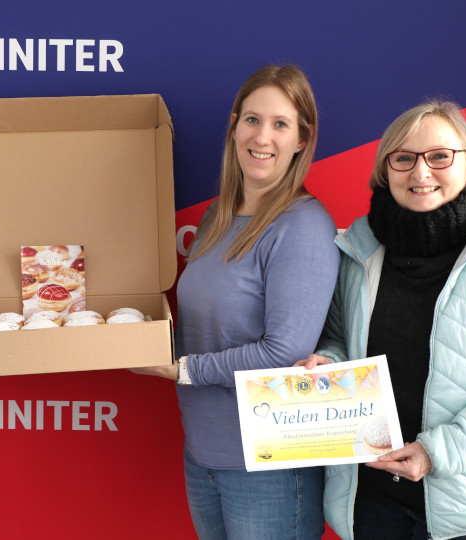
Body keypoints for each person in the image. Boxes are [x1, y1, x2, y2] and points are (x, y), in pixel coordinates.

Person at [296, 100, 466, 539]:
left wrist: (436, 452)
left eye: (439, 156)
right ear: (385, 172)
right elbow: (336, 339)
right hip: (370, 506)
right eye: (403, 158)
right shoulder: (356, 252)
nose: (421, 173)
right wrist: (327, 365)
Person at [131, 65, 339, 539]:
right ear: (234, 125)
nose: (262, 136)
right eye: (252, 120)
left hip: (266, 464)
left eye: (280, 124)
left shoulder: (302, 226)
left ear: (302, 140)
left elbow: (283, 352)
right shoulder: (216, 217)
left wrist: (182, 370)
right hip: (203, 452)